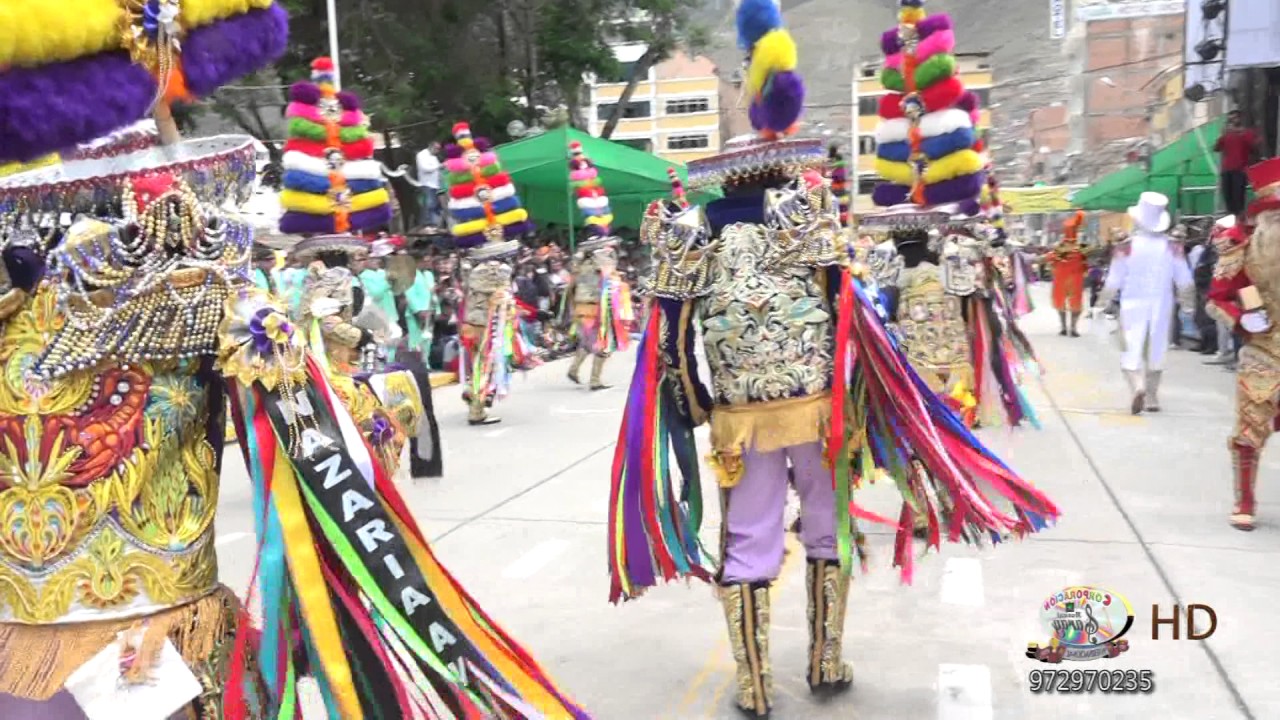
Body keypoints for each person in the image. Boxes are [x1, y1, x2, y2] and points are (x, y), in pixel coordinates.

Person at [607, 3, 1059, 716]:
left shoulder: (694, 232)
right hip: (819, 413)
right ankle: (824, 660)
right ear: (782, 164)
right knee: (825, 529)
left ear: (727, 177)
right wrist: (859, 397)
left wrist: (693, 404)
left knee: (748, 543)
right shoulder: (809, 222)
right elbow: (853, 323)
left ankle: (755, 683)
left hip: (739, 422)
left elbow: (667, 337)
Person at [445, 122, 535, 425]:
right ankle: (476, 407)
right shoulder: (491, 269)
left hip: (479, 321)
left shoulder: (479, 265)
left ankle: (474, 395)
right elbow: (497, 290)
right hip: (486, 324)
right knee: (486, 361)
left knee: (482, 363)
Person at [1207, 158, 1280, 531]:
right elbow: (1215, 298)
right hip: (1263, 348)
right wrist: (1241, 319)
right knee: (1250, 430)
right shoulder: (1243, 250)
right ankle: (1245, 500)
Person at [1099, 192, 1195, 414]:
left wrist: (1101, 304)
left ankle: (1138, 386)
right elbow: (1185, 279)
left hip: (1132, 304)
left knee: (1130, 349)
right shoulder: (1173, 246)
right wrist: (1188, 305)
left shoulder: (1126, 246)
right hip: (1162, 303)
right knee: (1157, 348)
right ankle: (1152, 398)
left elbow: (1114, 278)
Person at [563, 141, 632, 389]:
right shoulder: (601, 255)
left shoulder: (581, 257)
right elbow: (607, 277)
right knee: (603, 342)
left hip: (583, 304)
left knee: (589, 340)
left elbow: (574, 278)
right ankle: (594, 379)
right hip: (598, 305)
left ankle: (574, 368)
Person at [1047, 211, 1089, 337]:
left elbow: (1085, 264)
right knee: (1066, 304)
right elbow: (1051, 260)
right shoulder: (1064, 249)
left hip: (1070, 279)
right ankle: (1069, 327)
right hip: (1067, 278)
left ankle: (1069, 327)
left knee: (1070, 304)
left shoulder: (1078, 249)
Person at [1215, 110, 1261, 217]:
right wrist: (1223, 134)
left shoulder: (1247, 133)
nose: (1232, 121)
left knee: (1238, 198)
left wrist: (1240, 134)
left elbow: (1254, 148)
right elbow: (1217, 147)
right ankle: (1231, 221)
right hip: (1227, 170)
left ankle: (1239, 221)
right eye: (1230, 119)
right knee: (1228, 198)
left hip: (1240, 170)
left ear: (1240, 119)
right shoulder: (1226, 134)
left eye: (1234, 118)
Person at [416, 141, 444, 228]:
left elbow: (438, 167)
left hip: (436, 184)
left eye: (439, 149)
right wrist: (438, 167)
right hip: (427, 184)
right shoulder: (422, 155)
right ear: (431, 147)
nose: (438, 151)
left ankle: (435, 224)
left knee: (435, 205)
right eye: (436, 149)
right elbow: (424, 168)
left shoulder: (433, 157)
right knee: (429, 205)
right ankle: (428, 224)